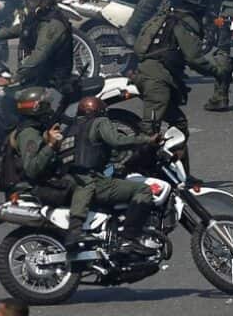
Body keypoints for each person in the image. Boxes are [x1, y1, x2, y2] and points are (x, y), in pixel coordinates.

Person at [130, 0, 223, 171]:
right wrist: (217, 71)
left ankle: (181, 176)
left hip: (149, 75)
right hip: (157, 82)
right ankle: (136, 172)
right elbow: (194, 58)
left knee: (179, 125)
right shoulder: (184, 24)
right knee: (150, 133)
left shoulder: (166, 17)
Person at [56, 97, 161, 253]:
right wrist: (147, 140)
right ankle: (128, 238)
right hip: (94, 182)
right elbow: (116, 140)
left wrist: (117, 167)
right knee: (143, 190)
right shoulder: (99, 122)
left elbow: (100, 159)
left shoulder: (70, 130)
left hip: (72, 181)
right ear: (99, 111)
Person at [0, 0, 77, 112]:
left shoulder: (52, 24)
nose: (30, 2)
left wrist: (14, 78)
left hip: (52, 83)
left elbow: (39, 55)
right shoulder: (38, 17)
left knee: (12, 108)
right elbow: (23, 28)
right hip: (36, 77)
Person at [3, 86, 73, 208]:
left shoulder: (35, 126)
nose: (49, 109)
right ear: (36, 107)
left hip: (41, 179)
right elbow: (32, 169)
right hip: (33, 186)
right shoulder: (29, 133)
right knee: (81, 187)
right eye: (46, 105)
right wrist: (51, 145)